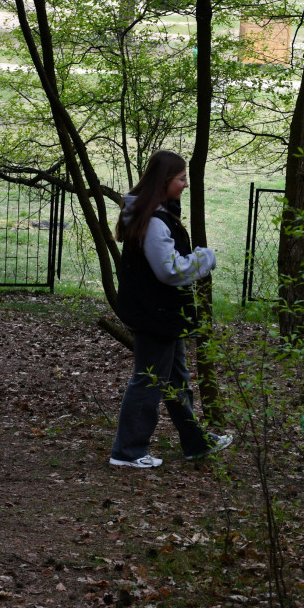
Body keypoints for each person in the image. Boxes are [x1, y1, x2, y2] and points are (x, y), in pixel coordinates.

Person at [110, 149, 232, 468]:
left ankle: (195, 440)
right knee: (148, 380)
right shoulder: (152, 221)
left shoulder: (156, 212)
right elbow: (169, 271)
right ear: (165, 180)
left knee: (177, 379)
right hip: (155, 315)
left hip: (163, 314)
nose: (185, 184)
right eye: (181, 178)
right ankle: (128, 452)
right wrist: (204, 260)